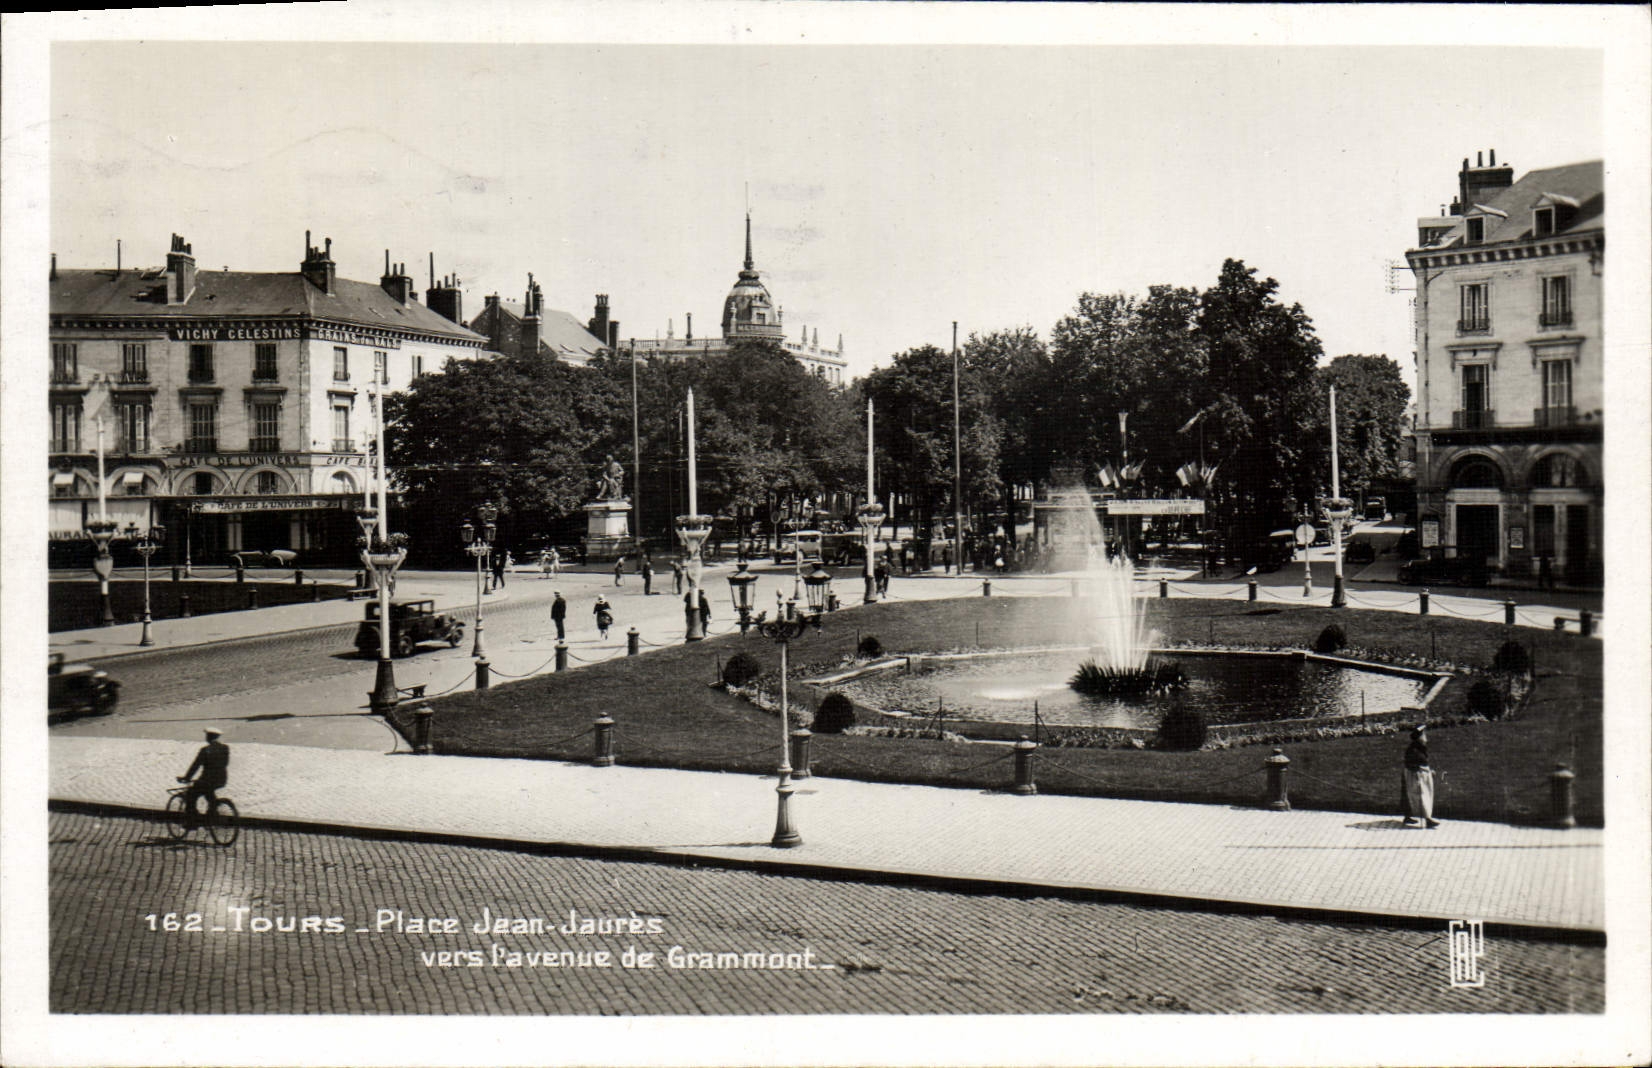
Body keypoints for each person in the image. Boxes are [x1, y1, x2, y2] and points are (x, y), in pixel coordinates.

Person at [177, 727, 230, 825]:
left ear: (208, 737)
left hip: (207, 780)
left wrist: (186, 778)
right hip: (221, 779)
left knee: (191, 795)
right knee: (209, 794)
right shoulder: (225, 748)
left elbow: (195, 765)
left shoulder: (205, 750)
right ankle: (212, 813)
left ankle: (192, 822)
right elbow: (225, 763)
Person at [1401, 724, 1441, 828]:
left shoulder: (1420, 747)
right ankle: (1427, 819)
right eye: (1423, 734)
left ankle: (1408, 816)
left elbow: (1423, 762)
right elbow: (1410, 763)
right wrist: (1419, 770)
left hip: (1422, 775)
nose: (1425, 736)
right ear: (1419, 737)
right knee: (1421, 796)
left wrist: (1429, 770)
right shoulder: (1413, 749)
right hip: (1415, 776)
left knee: (1414, 796)